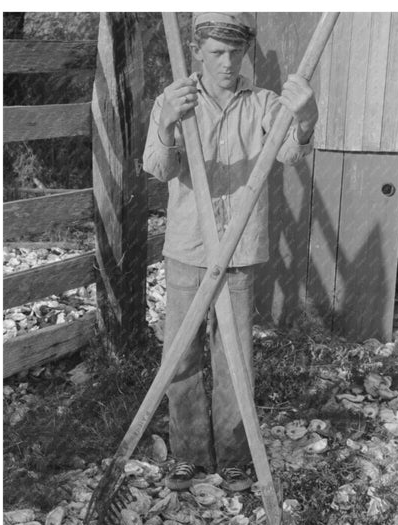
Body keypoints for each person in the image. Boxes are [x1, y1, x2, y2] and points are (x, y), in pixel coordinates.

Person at [143, 12, 318, 492]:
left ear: (245, 51)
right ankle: (189, 455)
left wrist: (306, 117)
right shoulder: (174, 99)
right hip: (188, 246)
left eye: (234, 52)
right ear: (197, 50)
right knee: (179, 356)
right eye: (216, 52)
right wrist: (165, 124)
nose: (226, 62)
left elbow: (288, 152)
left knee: (234, 358)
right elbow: (158, 168)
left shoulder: (262, 103)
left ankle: (236, 457)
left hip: (239, 249)